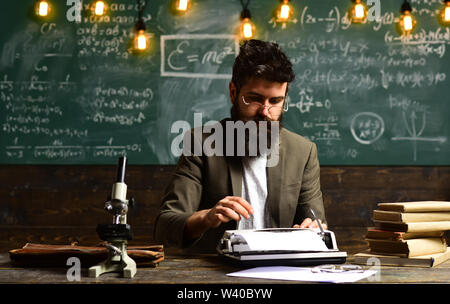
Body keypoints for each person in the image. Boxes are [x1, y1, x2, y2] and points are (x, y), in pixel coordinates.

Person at [154, 39, 327, 253]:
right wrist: (206, 218)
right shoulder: (200, 144)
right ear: (234, 93)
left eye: (275, 101)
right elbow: (165, 226)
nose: (265, 112)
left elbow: (318, 227)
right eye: (254, 99)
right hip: (216, 274)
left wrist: (313, 229)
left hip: (281, 270)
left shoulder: (303, 152)